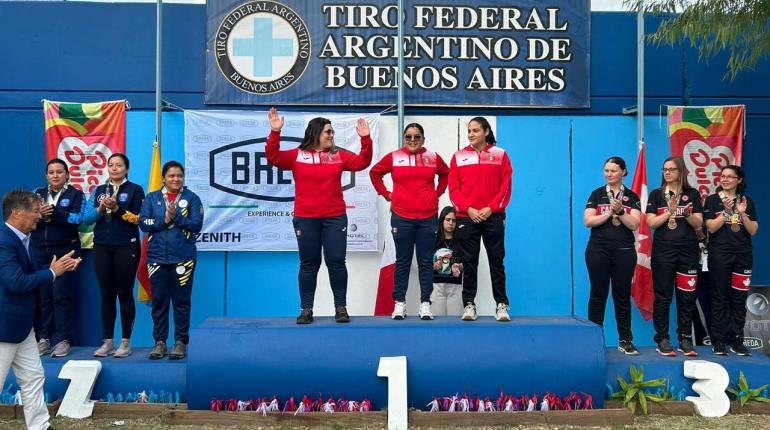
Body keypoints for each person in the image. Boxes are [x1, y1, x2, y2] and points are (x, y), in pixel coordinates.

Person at [266, 108, 373, 324]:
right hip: (306, 218)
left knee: (336, 262)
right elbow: (274, 157)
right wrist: (275, 133)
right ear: (315, 133)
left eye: (332, 132)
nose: (332, 135)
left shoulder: (338, 155)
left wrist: (366, 139)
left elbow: (362, 162)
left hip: (334, 218)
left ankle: (340, 308)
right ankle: (306, 309)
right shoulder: (297, 155)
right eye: (328, 132)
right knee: (309, 264)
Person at [0, 189, 80, 430]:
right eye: (35, 211)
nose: (39, 216)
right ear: (17, 212)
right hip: (4, 328)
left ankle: (40, 426)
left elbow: (32, 276)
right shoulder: (4, 241)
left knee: (33, 378)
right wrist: (53, 272)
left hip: (22, 327)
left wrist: (60, 268)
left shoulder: (24, 239)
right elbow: (15, 282)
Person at [370, 123, 449, 320]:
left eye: (416, 136)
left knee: (425, 263)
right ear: (404, 139)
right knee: (403, 262)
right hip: (402, 218)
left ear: (423, 139)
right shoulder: (394, 157)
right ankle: (400, 304)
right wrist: (387, 194)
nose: (412, 140)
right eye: (408, 137)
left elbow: (446, 174)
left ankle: (425, 304)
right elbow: (375, 173)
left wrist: (436, 194)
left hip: (427, 218)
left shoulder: (433, 157)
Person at [448, 117, 512, 322]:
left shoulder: (500, 155)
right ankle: (469, 304)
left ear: (486, 132)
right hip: (467, 217)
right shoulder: (458, 156)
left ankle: (501, 305)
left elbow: (506, 185)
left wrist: (490, 208)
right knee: (469, 261)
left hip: (493, 217)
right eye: (469, 131)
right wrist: (468, 209)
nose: (471, 134)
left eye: (475, 130)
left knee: (496, 261)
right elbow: (454, 188)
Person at [140, 161, 203, 360]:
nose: (176, 179)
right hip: (156, 259)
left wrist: (176, 218)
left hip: (183, 258)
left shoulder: (192, 198)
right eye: (171, 176)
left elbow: (196, 225)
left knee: (182, 302)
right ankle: (160, 342)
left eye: (179, 176)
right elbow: (143, 222)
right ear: (164, 178)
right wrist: (164, 221)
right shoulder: (152, 198)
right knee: (159, 302)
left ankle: (180, 342)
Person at [83, 153, 145, 357]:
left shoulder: (135, 190)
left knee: (124, 293)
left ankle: (125, 342)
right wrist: (101, 208)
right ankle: (107, 341)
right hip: (101, 246)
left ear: (126, 169)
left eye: (119, 165)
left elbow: (138, 219)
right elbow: (87, 218)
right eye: (111, 165)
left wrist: (117, 209)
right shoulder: (99, 190)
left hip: (126, 246)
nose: (115, 168)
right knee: (107, 294)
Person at [583, 156, 642, 355]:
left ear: (623, 172)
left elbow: (634, 224)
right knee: (598, 294)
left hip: (624, 251)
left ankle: (625, 340)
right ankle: (592, 339)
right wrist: (609, 213)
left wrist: (621, 212)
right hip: (598, 249)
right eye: (606, 170)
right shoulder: (597, 194)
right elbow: (588, 221)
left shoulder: (632, 196)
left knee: (622, 295)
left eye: (613, 171)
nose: (609, 174)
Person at [646, 156, 703, 357]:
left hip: (687, 251)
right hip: (663, 252)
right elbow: (651, 223)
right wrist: (668, 212)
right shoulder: (656, 194)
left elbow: (698, 223)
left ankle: (685, 338)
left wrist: (686, 214)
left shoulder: (692, 194)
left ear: (681, 171)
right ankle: (662, 338)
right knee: (663, 296)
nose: (667, 173)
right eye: (665, 169)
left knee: (686, 297)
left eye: (671, 169)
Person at [31, 159, 85, 358]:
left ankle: (63, 340)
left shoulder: (76, 194)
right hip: (39, 251)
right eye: (51, 172)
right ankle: (44, 338)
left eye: (59, 172)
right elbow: (27, 217)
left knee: (60, 297)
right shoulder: (36, 194)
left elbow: (78, 219)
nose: (55, 175)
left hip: (65, 252)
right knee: (44, 298)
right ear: (46, 175)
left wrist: (52, 214)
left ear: (67, 174)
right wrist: (39, 214)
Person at [704, 165, 759, 356]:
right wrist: (726, 212)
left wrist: (742, 213)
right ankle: (718, 341)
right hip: (720, 254)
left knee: (739, 299)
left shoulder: (747, 201)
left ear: (739, 180)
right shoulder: (712, 201)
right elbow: (710, 228)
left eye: (730, 176)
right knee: (719, 298)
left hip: (743, 255)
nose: (725, 179)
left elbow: (752, 230)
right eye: (723, 176)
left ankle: (737, 341)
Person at [430, 206, 464, 316]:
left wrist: (460, 266)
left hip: (455, 287)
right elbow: (424, 261)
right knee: (436, 322)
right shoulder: (433, 239)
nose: (451, 223)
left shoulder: (461, 240)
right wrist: (433, 265)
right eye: (448, 219)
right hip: (436, 286)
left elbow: (467, 262)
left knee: (455, 323)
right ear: (442, 220)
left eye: (454, 220)